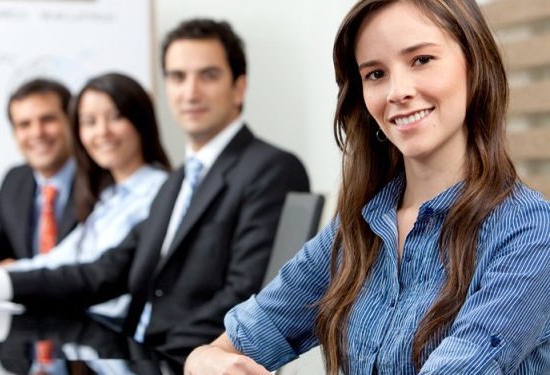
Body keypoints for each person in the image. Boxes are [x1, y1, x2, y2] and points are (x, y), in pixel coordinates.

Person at [184, 0, 550, 374]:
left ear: (474, 65)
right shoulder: (359, 226)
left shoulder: (529, 230)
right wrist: (209, 362)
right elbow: (226, 346)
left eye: (421, 59)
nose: (397, 91)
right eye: (375, 74)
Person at [0, 18, 310, 360]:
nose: (190, 92)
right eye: (177, 77)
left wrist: (165, 357)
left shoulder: (271, 168)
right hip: (129, 352)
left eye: (207, 75)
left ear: (238, 87)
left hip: (180, 359)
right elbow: (104, 272)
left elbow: (247, 298)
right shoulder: (179, 180)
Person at [0, 72, 171, 320]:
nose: (102, 132)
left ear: (141, 120)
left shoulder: (162, 191)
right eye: (89, 122)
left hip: (127, 334)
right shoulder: (108, 196)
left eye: (115, 117)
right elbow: (62, 258)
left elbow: (100, 273)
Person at [0, 78, 78, 265]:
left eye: (48, 119)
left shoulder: (98, 180)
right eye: (24, 125)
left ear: (71, 122)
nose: (37, 133)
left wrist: (14, 276)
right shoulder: (15, 181)